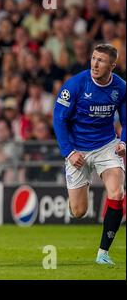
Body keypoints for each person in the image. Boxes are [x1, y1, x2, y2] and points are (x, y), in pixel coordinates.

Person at [53, 43, 126, 265]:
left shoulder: (121, 88)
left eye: (101, 60)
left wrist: (124, 142)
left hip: (106, 145)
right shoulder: (75, 85)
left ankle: (103, 253)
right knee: (78, 211)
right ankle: (74, 200)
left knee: (117, 193)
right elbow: (58, 119)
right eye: (93, 58)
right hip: (77, 149)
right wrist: (69, 152)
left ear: (112, 65)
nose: (95, 63)